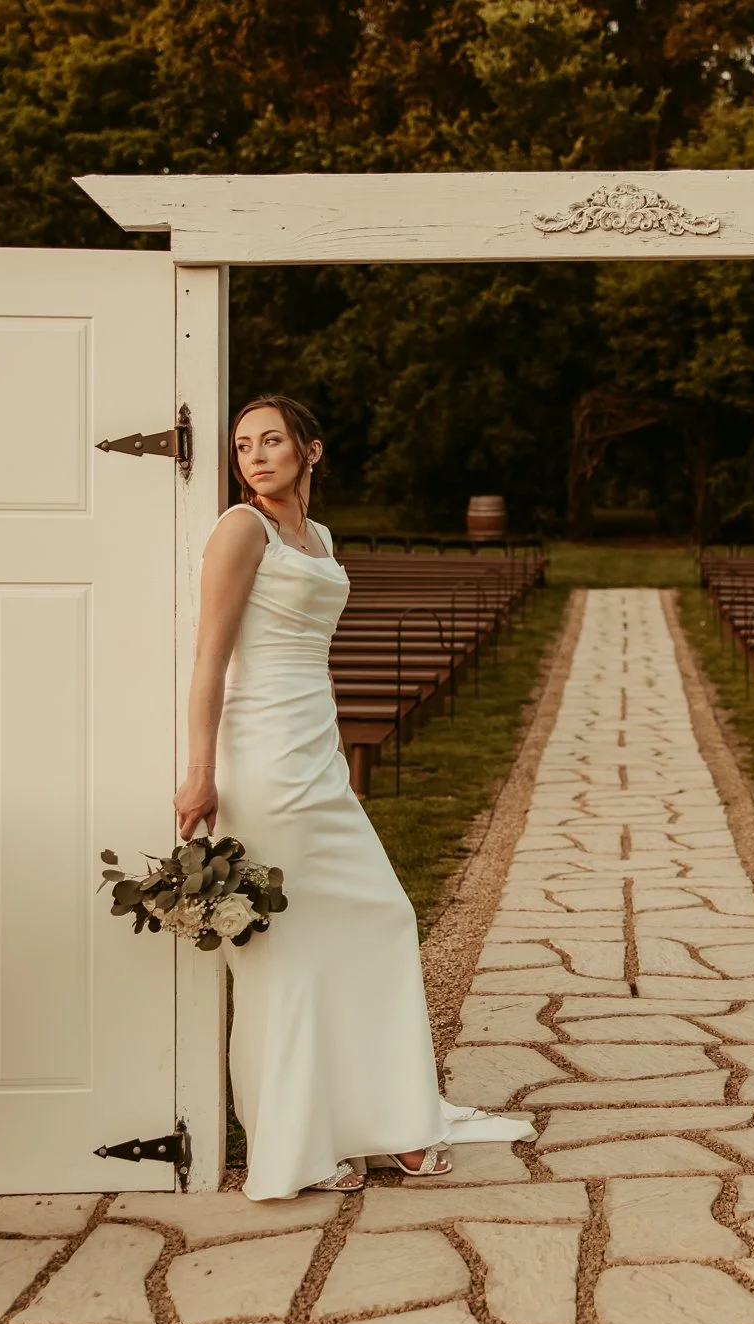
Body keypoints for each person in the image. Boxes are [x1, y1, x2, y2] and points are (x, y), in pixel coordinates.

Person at [173, 395, 533, 1198]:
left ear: (312, 451)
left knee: (376, 918)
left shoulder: (320, 537)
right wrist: (201, 771)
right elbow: (209, 661)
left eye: (271, 441)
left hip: (315, 752)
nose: (255, 456)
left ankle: (375, 1121)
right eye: (243, 445)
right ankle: (306, 1143)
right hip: (261, 758)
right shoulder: (242, 529)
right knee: (291, 953)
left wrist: (327, 742)